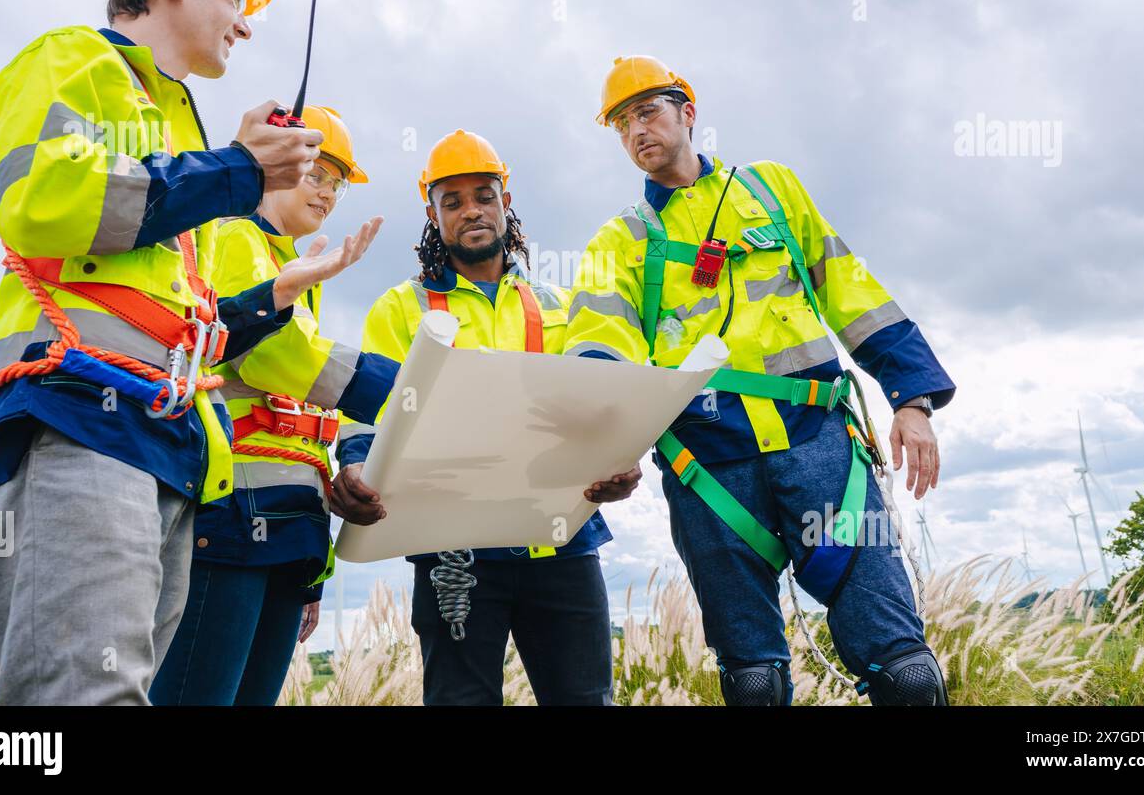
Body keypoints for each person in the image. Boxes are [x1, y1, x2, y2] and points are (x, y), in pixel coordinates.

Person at [0, 0, 384, 705]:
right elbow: (49, 200)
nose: (246, 23)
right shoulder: (72, 57)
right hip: (76, 419)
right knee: (75, 701)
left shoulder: (178, 142)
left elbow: (187, 331)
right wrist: (235, 169)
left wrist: (269, 301)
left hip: (154, 445)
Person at [564, 56, 957, 705]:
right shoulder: (621, 241)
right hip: (709, 469)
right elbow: (600, 346)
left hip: (823, 450)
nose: (637, 130)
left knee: (907, 673)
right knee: (753, 685)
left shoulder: (772, 191)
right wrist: (604, 448)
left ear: (687, 113)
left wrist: (912, 400)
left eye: (648, 112)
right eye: (621, 123)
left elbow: (848, 288)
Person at [332, 129, 639, 706]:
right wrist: (354, 468)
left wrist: (616, 461)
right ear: (432, 212)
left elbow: (597, 406)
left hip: (562, 541)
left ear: (506, 201)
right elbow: (367, 421)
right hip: (454, 546)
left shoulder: (559, 305)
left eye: (483, 195)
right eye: (453, 200)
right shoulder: (401, 309)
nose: (471, 210)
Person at [151, 105, 392, 705]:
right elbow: (270, 354)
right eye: (318, 173)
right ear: (279, 164)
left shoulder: (296, 271)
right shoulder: (232, 233)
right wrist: (405, 390)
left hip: (290, 524)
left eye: (338, 181)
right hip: (230, 514)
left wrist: (314, 566)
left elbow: (307, 430)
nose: (330, 193)